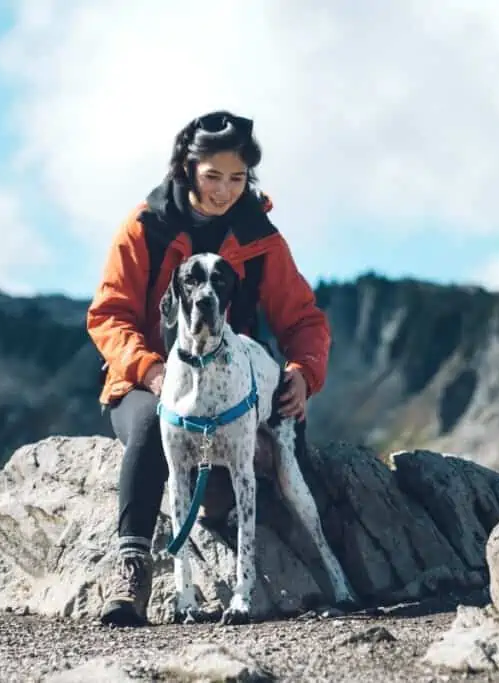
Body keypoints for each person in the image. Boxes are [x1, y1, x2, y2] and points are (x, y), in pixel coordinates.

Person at [85, 110, 331, 627]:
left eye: (237, 178)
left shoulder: (261, 238)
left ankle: (323, 571)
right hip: (144, 383)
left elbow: (304, 319)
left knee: (290, 459)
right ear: (188, 168)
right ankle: (131, 571)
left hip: (234, 393)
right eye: (213, 176)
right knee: (155, 420)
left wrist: (304, 373)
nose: (224, 190)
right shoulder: (144, 228)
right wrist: (151, 371)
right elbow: (108, 316)